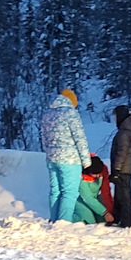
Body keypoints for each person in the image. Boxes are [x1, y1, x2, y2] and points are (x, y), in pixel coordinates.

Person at [38, 89, 88, 222]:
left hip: (51, 159)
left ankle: (54, 220)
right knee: (70, 192)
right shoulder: (71, 114)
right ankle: (63, 223)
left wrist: (49, 153)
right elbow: (80, 138)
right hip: (70, 159)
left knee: (55, 191)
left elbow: (44, 139)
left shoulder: (47, 115)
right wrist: (86, 161)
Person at [108, 104, 131, 228]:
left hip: (123, 169)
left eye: (116, 117)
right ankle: (118, 217)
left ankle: (126, 221)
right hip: (125, 168)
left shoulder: (124, 133)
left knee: (124, 195)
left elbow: (122, 152)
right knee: (120, 194)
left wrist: (116, 169)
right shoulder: (127, 131)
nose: (115, 120)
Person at [76, 155, 112, 225]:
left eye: (99, 173)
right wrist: (104, 212)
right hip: (80, 200)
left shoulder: (101, 173)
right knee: (89, 221)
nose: (98, 176)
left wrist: (108, 210)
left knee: (103, 220)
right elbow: (88, 198)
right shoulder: (82, 179)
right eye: (95, 174)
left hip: (94, 199)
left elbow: (105, 191)